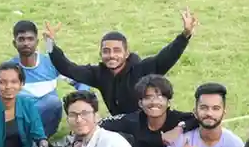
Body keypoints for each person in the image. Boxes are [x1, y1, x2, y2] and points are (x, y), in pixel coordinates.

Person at [42, 10, 198, 116]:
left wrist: (185, 35)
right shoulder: (98, 74)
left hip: (146, 124)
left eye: (117, 51)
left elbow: (166, 57)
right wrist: (49, 43)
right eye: (106, 51)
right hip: (119, 126)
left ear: (126, 53)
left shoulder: (141, 69)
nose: (111, 56)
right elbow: (67, 68)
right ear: (101, 54)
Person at [0, 20, 89, 136]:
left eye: (30, 39)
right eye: (21, 39)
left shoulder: (52, 63)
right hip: (19, 116)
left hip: (45, 119)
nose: (26, 43)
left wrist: (79, 101)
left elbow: (81, 82)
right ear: (14, 43)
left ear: (37, 42)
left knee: (52, 102)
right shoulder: (8, 68)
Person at [99, 75, 197, 147]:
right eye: (148, 97)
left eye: (160, 97)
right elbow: (101, 124)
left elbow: (201, 119)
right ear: (140, 103)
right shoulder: (133, 120)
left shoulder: (176, 119)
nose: (154, 102)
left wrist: (180, 128)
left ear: (168, 102)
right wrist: (160, 138)